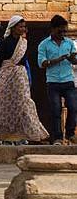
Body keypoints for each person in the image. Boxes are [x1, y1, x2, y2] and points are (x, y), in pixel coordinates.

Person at [0, 15, 48, 144]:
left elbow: (24, 61)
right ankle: (3, 135)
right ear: (13, 27)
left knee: (24, 102)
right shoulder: (4, 43)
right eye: (20, 26)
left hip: (20, 76)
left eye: (24, 26)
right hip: (7, 76)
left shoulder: (24, 43)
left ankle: (31, 134)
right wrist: (4, 74)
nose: (23, 29)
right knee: (3, 104)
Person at [37, 15, 77, 145]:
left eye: (64, 31)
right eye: (60, 31)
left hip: (68, 80)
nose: (63, 34)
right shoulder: (44, 44)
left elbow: (74, 60)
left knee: (73, 107)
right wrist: (59, 59)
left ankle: (70, 133)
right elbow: (42, 63)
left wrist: (72, 59)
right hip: (53, 81)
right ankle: (58, 138)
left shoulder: (69, 43)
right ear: (53, 29)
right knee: (55, 110)